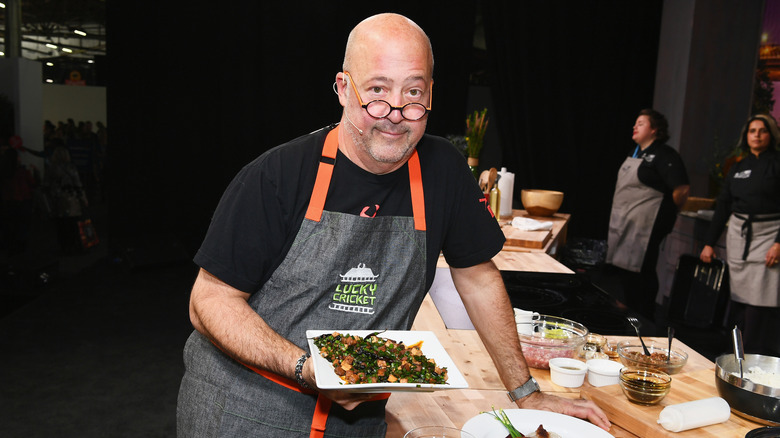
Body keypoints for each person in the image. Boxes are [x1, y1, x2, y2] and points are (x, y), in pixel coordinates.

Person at [176, 13, 610, 438]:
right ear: (343, 88)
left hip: (358, 420)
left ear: (431, 94)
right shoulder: (277, 176)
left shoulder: (444, 172)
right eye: (377, 91)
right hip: (247, 408)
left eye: (413, 92)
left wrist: (527, 392)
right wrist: (307, 367)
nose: (396, 112)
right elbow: (209, 300)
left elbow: (478, 279)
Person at [700, 114, 780, 356]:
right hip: (739, 235)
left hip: (768, 235)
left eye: (762, 130)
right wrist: (709, 243)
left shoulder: (777, 163)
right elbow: (723, 205)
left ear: (771, 135)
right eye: (752, 131)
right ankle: (734, 354)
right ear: (746, 136)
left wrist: (778, 243)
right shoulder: (737, 167)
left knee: (761, 299)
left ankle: (756, 354)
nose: (757, 135)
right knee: (737, 298)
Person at [606, 109, 690, 322]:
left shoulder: (665, 155)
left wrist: (669, 214)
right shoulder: (635, 153)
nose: (635, 127)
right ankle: (628, 310)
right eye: (635, 123)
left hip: (645, 226)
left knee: (641, 271)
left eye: (641, 123)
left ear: (655, 130)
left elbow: (681, 189)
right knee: (625, 268)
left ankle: (644, 318)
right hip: (625, 222)